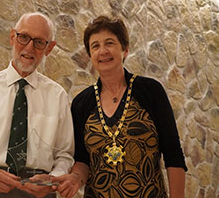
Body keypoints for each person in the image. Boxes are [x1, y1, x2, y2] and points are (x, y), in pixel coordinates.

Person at [53, 16, 187, 198]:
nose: (103, 51)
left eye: (109, 43)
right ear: (90, 55)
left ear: (125, 49)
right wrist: (76, 178)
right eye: (95, 46)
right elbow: (82, 160)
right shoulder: (81, 103)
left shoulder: (150, 91)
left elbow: (173, 152)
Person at [0, 12, 75, 198]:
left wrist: (52, 180)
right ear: (12, 37)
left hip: (40, 192)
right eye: (23, 37)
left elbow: (65, 155)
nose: (29, 47)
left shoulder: (58, 96)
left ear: (49, 48)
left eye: (39, 42)